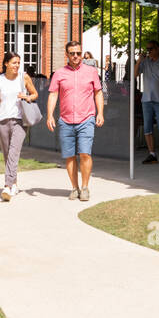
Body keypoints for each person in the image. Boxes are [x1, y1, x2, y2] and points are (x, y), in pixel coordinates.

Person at [46, 41, 104, 202]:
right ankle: (74, 188)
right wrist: (50, 115)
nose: (76, 56)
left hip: (86, 119)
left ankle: (85, 187)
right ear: (67, 54)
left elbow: (98, 93)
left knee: (85, 153)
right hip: (65, 120)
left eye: (78, 53)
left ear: (82, 53)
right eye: (72, 53)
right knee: (70, 156)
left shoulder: (91, 72)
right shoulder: (59, 73)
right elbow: (53, 95)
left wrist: (100, 113)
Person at [0, 51, 37, 202]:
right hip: (2, 121)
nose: (17, 65)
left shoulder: (23, 77)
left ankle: (7, 186)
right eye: (14, 62)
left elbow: (34, 94)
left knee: (13, 153)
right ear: (6, 63)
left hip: (19, 120)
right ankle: (14, 183)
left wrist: (26, 97)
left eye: (18, 63)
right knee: (7, 155)